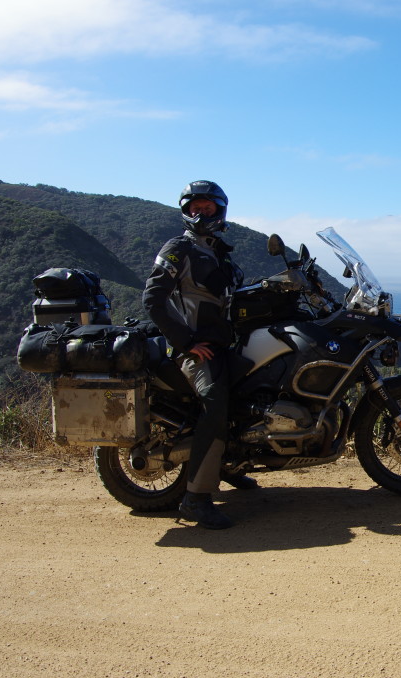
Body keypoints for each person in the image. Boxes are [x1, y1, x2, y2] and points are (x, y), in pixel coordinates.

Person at [142, 180, 254, 530]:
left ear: (219, 210)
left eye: (206, 207)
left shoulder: (218, 251)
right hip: (195, 351)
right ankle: (196, 498)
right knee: (214, 401)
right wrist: (187, 342)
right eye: (194, 207)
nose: (199, 212)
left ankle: (231, 464)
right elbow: (153, 300)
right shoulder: (180, 248)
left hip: (224, 343)